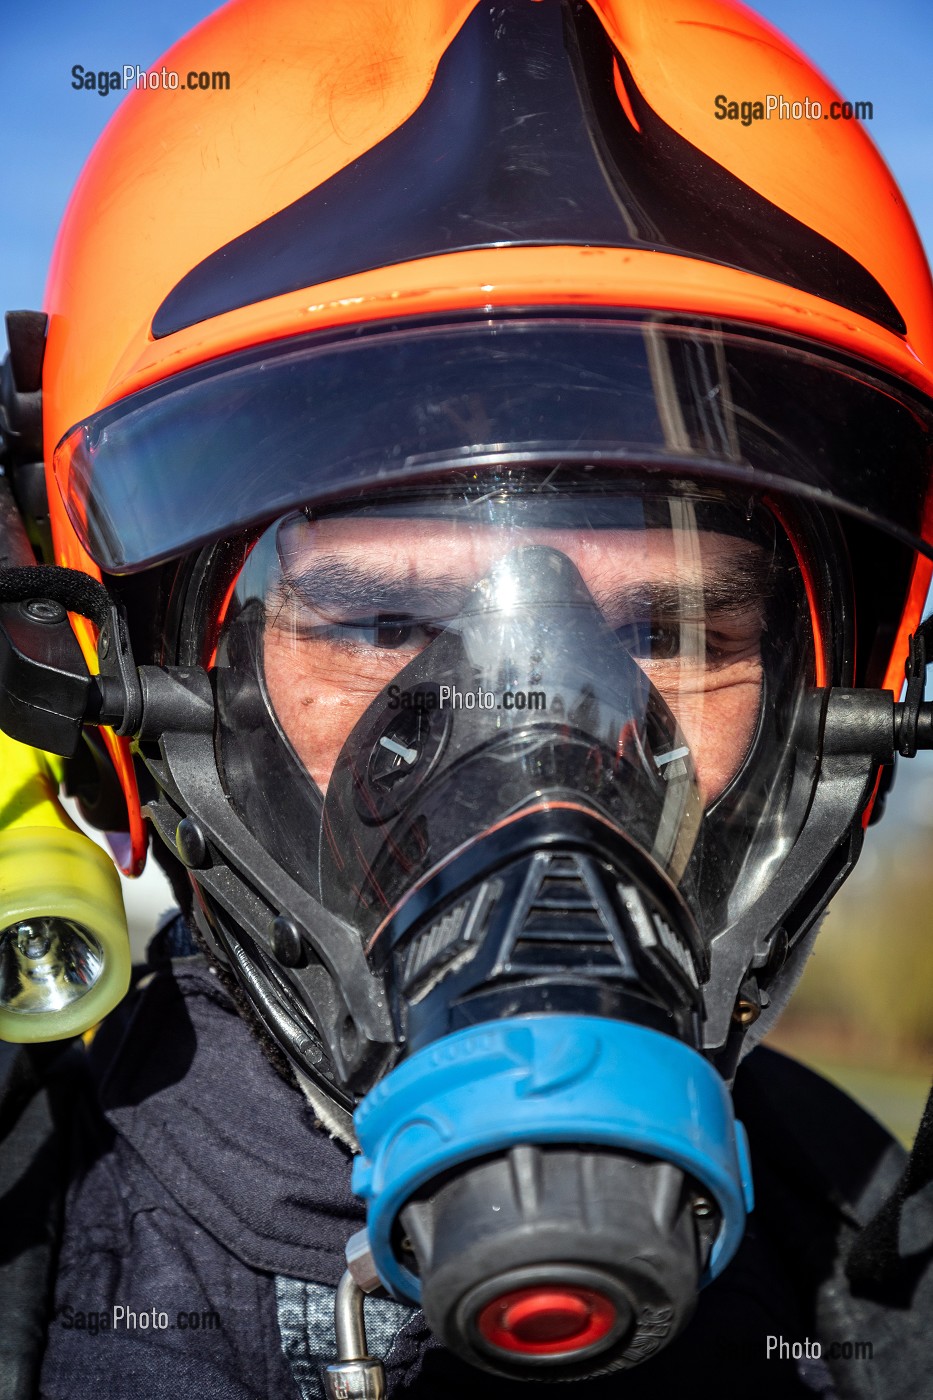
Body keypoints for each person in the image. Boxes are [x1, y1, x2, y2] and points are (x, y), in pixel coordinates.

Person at [1, 1, 932, 1396]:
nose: (543, 752)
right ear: (124, 693)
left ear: (841, 714)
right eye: (382, 621)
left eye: (671, 626)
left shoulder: (885, 1286)